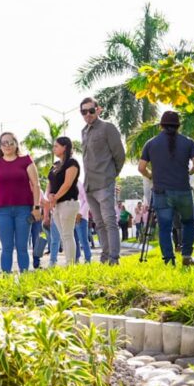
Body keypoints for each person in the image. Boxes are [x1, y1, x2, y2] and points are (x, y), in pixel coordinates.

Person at [140, 110, 194, 266]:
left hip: (161, 191)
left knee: (165, 227)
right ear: (178, 126)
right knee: (188, 223)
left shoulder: (151, 143)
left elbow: (141, 167)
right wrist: (188, 173)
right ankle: (187, 256)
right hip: (183, 189)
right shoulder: (188, 142)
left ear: (161, 125)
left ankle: (169, 260)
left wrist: (151, 176)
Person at [0, 132, 40, 277]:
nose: (7, 146)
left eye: (10, 142)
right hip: (3, 211)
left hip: (24, 210)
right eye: (3, 143)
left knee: (22, 247)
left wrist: (36, 207)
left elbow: (36, 185)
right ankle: (6, 279)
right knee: (6, 247)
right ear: (0, 146)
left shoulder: (25, 160)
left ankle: (24, 279)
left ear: (16, 143)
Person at [80, 97, 126, 264]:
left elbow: (120, 155)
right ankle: (105, 257)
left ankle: (114, 258)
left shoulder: (108, 128)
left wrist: (111, 175)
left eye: (91, 110)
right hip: (89, 185)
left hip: (105, 182)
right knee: (99, 224)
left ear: (98, 109)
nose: (88, 114)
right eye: (84, 112)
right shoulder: (84, 131)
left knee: (110, 221)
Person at [45, 137, 81, 266]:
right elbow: (49, 184)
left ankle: (70, 264)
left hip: (68, 203)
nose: (54, 148)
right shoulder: (55, 165)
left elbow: (67, 184)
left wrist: (55, 197)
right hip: (56, 205)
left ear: (65, 147)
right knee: (62, 235)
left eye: (56, 146)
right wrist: (49, 196)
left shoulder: (72, 163)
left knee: (67, 234)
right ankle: (69, 263)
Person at [75, 182, 93, 263]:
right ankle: (76, 259)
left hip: (81, 217)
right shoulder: (66, 182)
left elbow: (88, 200)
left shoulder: (80, 184)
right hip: (70, 217)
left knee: (83, 240)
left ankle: (88, 259)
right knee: (74, 240)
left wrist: (80, 213)